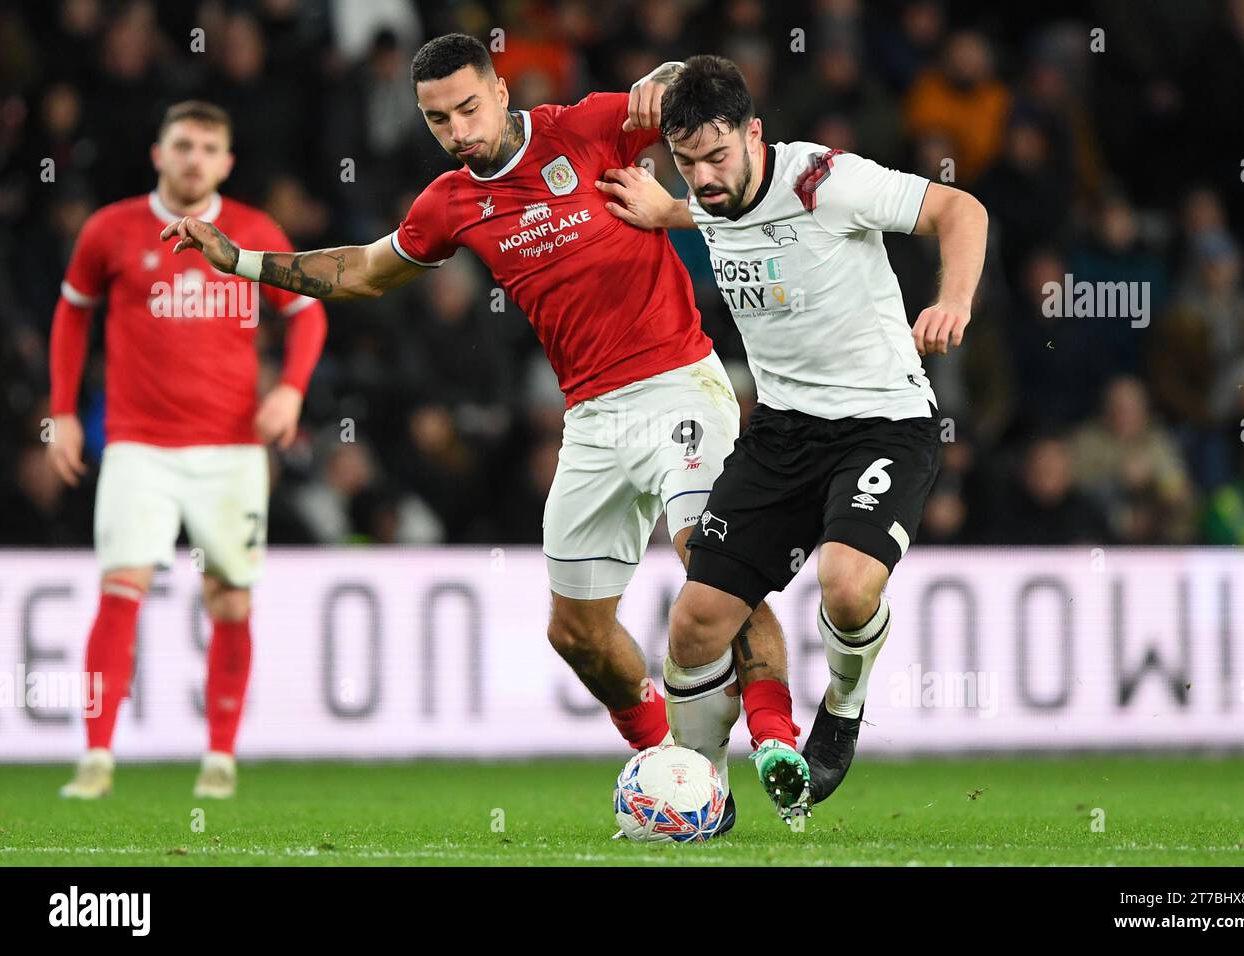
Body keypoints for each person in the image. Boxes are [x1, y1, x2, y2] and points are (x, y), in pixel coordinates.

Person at [161, 34, 789, 834]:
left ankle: (776, 736)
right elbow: (361, 270)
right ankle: (672, 767)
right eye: (437, 120)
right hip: (593, 416)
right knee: (577, 633)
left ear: (500, 88)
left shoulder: (587, 125)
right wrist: (240, 262)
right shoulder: (450, 203)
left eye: (467, 107)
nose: (458, 131)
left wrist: (666, 74)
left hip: (679, 382)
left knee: (713, 558)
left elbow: (700, 95)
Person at [597, 55, 987, 820]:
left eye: (716, 156)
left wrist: (954, 302)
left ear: (754, 133)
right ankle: (700, 795)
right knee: (695, 621)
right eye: (686, 163)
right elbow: (711, 209)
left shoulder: (825, 181)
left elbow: (961, 210)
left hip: (883, 423)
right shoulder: (706, 194)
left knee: (846, 588)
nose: (703, 177)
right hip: (780, 433)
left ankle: (843, 705)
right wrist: (662, 206)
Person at [51, 101, 329, 799]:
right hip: (138, 447)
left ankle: (220, 758)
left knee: (229, 601)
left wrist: (291, 390)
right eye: (183, 145)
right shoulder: (110, 229)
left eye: (209, 147)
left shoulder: (253, 230)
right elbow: (71, 313)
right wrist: (60, 412)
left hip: (232, 451)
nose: (194, 158)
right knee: (121, 593)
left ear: (227, 163)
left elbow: (308, 310)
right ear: (158, 153)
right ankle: (96, 758)